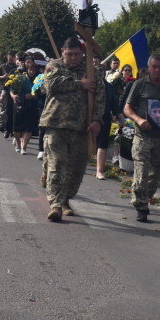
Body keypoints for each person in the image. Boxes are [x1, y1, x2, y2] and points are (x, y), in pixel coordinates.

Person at [38, 36, 105, 221]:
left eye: (77, 54)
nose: (73, 58)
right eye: (69, 54)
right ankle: (56, 205)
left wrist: (98, 120)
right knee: (57, 164)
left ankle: (66, 199)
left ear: (82, 54)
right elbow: (50, 85)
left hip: (81, 127)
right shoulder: (54, 66)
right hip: (55, 124)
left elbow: (100, 96)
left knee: (76, 169)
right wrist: (79, 84)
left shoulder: (90, 71)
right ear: (62, 52)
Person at [122, 54, 160, 222]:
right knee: (141, 172)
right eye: (154, 67)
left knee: (155, 174)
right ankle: (141, 206)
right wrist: (139, 120)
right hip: (143, 136)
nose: (157, 70)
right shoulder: (140, 85)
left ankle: (143, 197)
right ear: (149, 67)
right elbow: (127, 109)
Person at [8, 57, 39, 154]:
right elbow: (12, 90)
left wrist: (33, 95)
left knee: (28, 128)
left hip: (31, 105)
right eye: (30, 70)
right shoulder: (20, 78)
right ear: (27, 69)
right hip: (19, 104)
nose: (31, 72)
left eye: (33, 70)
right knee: (16, 129)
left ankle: (24, 147)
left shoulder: (38, 80)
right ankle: (18, 143)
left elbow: (41, 92)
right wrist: (13, 96)